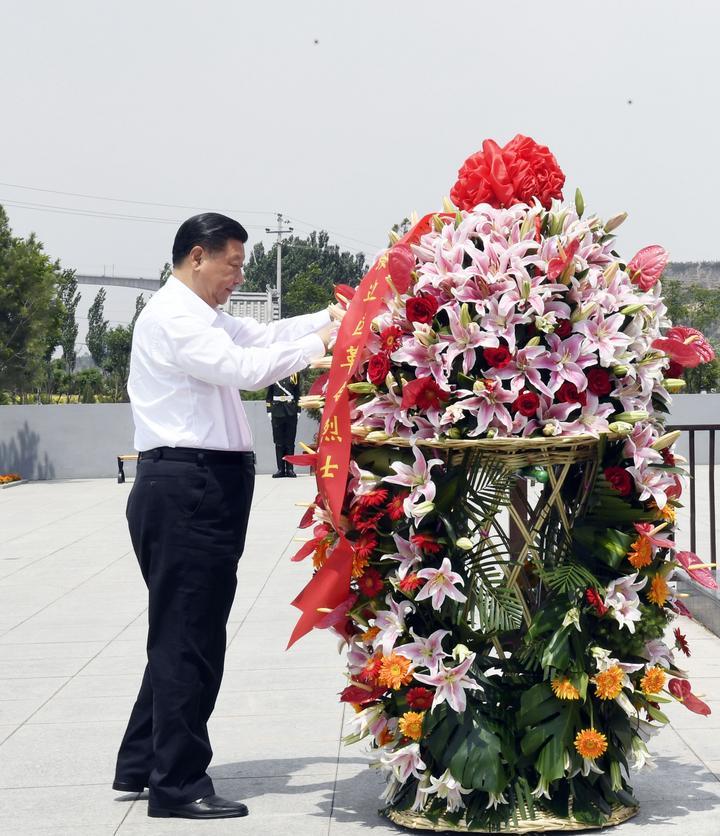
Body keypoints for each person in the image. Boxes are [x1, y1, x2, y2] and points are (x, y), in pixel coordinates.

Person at [113, 213, 338, 820]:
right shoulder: (175, 317)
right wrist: (322, 344)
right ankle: (178, 783)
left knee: (182, 629)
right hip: (188, 487)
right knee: (191, 637)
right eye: (232, 264)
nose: (238, 277)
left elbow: (261, 337)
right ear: (196, 256)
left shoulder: (202, 315)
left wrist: (328, 318)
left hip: (199, 484)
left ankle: (143, 761)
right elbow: (248, 369)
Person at [265, 372, 300, 477]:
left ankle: (290, 469)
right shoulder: (273, 375)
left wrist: (298, 410)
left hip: (291, 411)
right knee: (278, 442)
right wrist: (269, 410)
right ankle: (280, 469)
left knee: (290, 442)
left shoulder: (294, 374)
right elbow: (269, 394)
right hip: (277, 410)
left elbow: (297, 393)